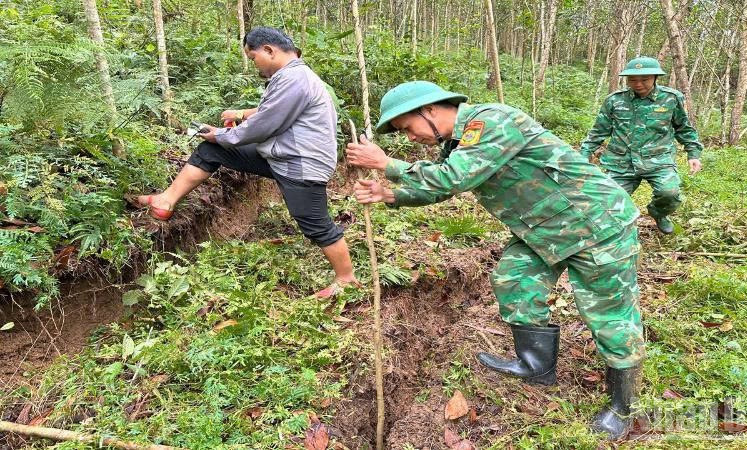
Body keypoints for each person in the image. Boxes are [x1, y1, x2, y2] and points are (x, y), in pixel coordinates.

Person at [345, 81, 645, 439]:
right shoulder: (459, 142)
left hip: (595, 223)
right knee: (514, 278)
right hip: (544, 226)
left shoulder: (493, 122)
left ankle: (623, 407)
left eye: (408, 128)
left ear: (431, 110)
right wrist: (389, 194)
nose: (410, 138)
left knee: (609, 313)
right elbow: (441, 187)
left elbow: (454, 178)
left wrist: (386, 164)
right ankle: (536, 366)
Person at [138, 27, 357, 298]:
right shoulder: (292, 76)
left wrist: (221, 134)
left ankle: (346, 279)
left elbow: (263, 126)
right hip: (282, 156)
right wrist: (240, 116)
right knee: (210, 151)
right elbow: (271, 111)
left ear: (269, 50)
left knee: (315, 224)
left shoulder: (295, 79)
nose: (254, 64)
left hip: (301, 164)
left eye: (253, 57)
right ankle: (166, 200)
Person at [580, 56, 704, 234]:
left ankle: (658, 213)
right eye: (632, 80)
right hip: (621, 162)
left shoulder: (671, 99)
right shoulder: (615, 100)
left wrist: (693, 153)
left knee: (669, 194)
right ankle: (620, 232)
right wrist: (585, 153)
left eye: (644, 79)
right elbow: (598, 131)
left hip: (658, 160)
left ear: (655, 78)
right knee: (607, 202)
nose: (638, 84)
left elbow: (684, 128)